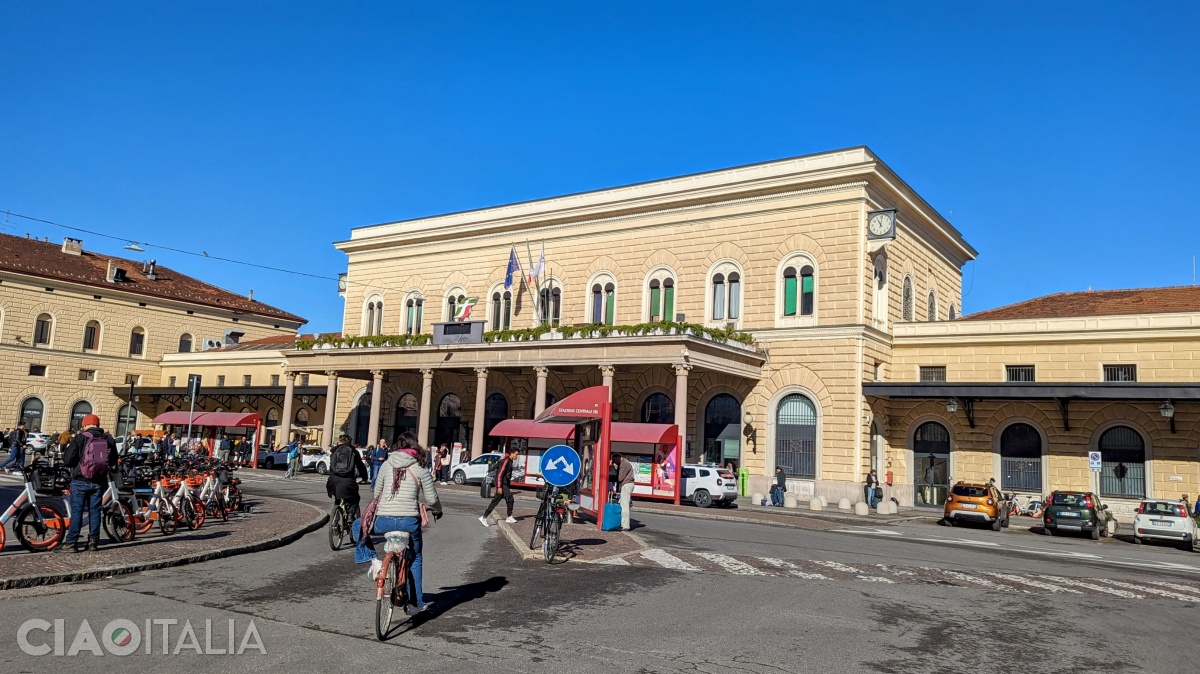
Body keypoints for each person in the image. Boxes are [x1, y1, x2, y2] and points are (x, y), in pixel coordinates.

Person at [356, 432, 442, 613]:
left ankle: (373, 560)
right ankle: (415, 603)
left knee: (358, 526)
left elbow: (376, 492)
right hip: (408, 522)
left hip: (383, 521)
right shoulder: (420, 469)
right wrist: (437, 510)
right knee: (416, 557)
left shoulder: (387, 465)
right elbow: (432, 499)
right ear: (415, 448)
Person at [57, 414, 118, 553]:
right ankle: (93, 542)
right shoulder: (108, 438)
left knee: (77, 512)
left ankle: (71, 543)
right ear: (98, 424)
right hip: (99, 481)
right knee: (95, 511)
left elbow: (68, 461)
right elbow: (113, 460)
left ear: (84, 425)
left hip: (80, 480)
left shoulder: (80, 437)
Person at [326, 434, 368, 513]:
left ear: (340, 441)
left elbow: (331, 466)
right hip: (348, 480)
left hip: (333, 481)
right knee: (355, 498)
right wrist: (364, 478)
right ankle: (351, 515)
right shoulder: (354, 452)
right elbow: (360, 466)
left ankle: (336, 513)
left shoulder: (334, 451)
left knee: (338, 498)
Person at [479, 446, 519, 526]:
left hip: (504, 484)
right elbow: (500, 474)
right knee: (509, 498)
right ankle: (485, 517)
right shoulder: (506, 461)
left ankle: (485, 516)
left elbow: (497, 465)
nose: (516, 456)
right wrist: (499, 486)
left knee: (496, 501)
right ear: (512, 453)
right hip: (502, 484)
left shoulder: (508, 460)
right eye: (516, 454)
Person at [616, 453, 636, 531]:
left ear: (618, 458)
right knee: (624, 504)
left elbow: (620, 478)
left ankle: (625, 525)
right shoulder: (625, 463)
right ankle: (624, 524)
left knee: (624, 506)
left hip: (626, 485)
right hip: (628, 484)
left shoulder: (624, 464)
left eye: (614, 460)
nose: (614, 462)